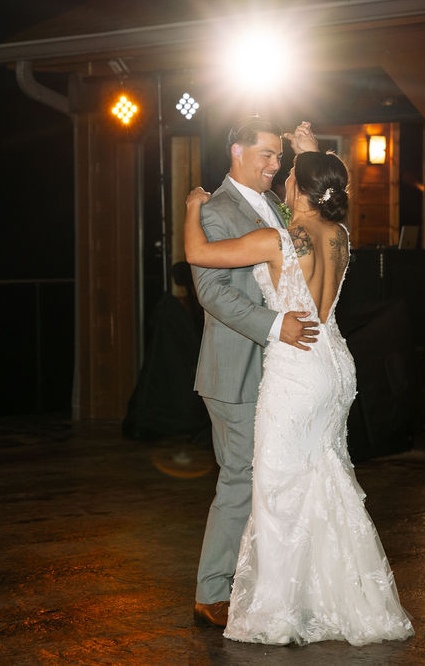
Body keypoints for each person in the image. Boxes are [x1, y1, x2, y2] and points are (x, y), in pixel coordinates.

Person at [185, 151, 414, 646]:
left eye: (290, 174)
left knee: (276, 488)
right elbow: (310, 198)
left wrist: (191, 207)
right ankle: (338, 598)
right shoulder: (339, 235)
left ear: (299, 189)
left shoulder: (281, 238)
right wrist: (311, 152)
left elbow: (198, 253)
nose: (282, 178)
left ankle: (280, 609)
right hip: (334, 363)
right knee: (325, 477)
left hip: (296, 370)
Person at [190, 117, 321, 628]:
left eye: (278, 156)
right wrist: (274, 325)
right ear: (237, 151)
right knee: (240, 479)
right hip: (236, 370)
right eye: (266, 154)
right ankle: (211, 592)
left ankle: (262, 584)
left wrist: (307, 153)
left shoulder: (277, 203)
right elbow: (211, 292)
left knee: (277, 478)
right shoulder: (214, 209)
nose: (274, 164)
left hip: (282, 372)